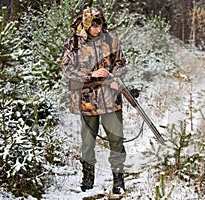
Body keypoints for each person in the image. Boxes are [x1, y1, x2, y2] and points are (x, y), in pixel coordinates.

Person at [61, 7, 127, 194]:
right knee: (88, 142)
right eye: (95, 26)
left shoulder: (111, 40)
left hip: (110, 99)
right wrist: (90, 74)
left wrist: (117, 79)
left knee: (116, 140)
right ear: (86, 24)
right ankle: (88, 182)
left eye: (101, 25)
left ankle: (118, 182)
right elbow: (66, 69)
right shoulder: (73, 43)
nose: (99, 30)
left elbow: (121, 63)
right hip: (87, 101)